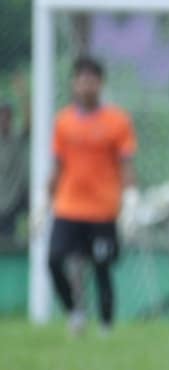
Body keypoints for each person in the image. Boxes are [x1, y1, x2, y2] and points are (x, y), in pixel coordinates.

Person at [47, 57, 137, 336]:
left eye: (91, 80)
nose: (86, 86)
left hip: (103, 209)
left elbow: (126, 164)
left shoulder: (118, 121)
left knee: (102, 267)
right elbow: (57, 165)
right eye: (81, 80)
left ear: (101, 83)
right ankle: (75, 312)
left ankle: (106, 326)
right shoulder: (63, 122)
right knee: (54, 260)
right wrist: (44, 199)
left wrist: (131, 197)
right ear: (73, 83)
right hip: (69, 207)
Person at [0, 100, 28, 246]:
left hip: (18, 195)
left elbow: (29, 123)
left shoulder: (16, 138)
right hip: (3, 200)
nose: (4, 120)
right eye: (1, 116)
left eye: (7, 116)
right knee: (6, 238)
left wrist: (22, 94)